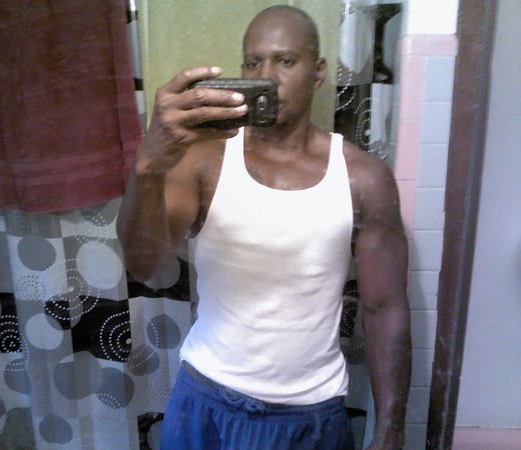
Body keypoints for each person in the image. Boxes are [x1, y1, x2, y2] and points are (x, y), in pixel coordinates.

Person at [117, 5, 411, 449]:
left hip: (311, 415)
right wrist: (147, 165)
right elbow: (143, 265)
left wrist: (391, 431)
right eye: (253, 63)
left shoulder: (362, 177)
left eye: (285, 61)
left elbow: (385, 308)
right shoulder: (204, 160)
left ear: (317, 72)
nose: (268, 76)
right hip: (206, 401)